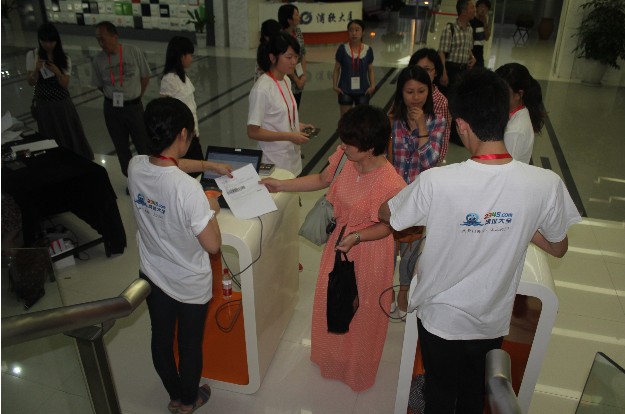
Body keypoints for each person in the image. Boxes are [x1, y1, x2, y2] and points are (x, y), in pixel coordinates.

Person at [379, 68, 581, 414]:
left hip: (440, 318)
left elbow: (389, 214)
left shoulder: (438, 182)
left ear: (461, 125)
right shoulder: (545, 184)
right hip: (491, 318)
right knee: (473, 393)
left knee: (440, 393)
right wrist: (518, 218)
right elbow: (558, 247)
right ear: (506, 116)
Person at [262, 105, 406, 392]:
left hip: (369, 252)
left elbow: (388, 227)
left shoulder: (391, 183)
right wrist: (281, 185)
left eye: (350, 143)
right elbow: (321, 179)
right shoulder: (344, 158)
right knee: (332, 302)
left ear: (370, 147)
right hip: (340, 245)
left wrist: (358, 236)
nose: (343, 146)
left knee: (362, 312)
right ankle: (332, 359)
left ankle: (357, 370)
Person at [128, 97, 230, 414]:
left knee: (160, 339)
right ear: (183, 134)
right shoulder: (188, 190)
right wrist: (211, 208)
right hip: (188, 283)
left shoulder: (135, 165)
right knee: (188, 344)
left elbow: (167, 165)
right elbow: (213, 245)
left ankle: (174, 394)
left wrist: (209, 166)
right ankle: (188, 400)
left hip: (153, 274)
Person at [387, 65, 446, 318]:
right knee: (388, 248)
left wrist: (422, 126)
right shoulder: (392, 121)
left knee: (411, 251)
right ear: (401, 92)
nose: (416, 97)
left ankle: (404, 289)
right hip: (393, 196)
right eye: (409, 91)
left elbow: (430, 162)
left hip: (420, 199)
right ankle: (385, 288)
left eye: (421, 91)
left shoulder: (438, 122)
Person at [247, 32, 314, 176]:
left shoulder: (286, 80)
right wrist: (289, 136)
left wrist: (298, 125)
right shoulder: (262, 89)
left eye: (296, 57)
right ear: (272, 58)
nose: (294, 62)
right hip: (274, 163)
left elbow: (280, 116)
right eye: (288, 57)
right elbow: (253, 131)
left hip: (292, 159)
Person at [26, 23, 94, 160]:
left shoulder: (64, 57)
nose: (47, 45)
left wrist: (57, 71)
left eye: (51, 41)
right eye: (44, 41)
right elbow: (30, 82)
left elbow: (64, 84)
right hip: (44, 104)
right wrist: (36, 70)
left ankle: (74, 159)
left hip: (61, 104)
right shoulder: (32, 55)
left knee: (69, 132)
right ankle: (56, 161)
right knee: (49, 133)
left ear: (56, 41)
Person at [92, 21, 151, 177]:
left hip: (134, 107)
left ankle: (149, 177)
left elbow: (145, 77)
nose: (101, 43)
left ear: (114, 36)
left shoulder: (132, 51)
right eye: (98, 39)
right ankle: (130, 178)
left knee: (143, 144)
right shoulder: (98, 60)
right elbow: (99, 85)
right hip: (112, 109)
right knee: (121, 147)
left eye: (103, 38)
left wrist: (135, 96)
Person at [160, 36, 204, 176]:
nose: (191, 58)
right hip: (182, 139)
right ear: (181, 56)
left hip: (191, 135)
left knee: (198, 170)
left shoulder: (183, 76)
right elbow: (166, 113)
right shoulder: (169, 80)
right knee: (192, 173)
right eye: (190, 54)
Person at [495, 62, 545, 164]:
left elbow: (506, 169)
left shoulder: (515, 132)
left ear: (519, 94)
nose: (497, 96)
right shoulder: (521, 111)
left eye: (503, 92)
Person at [408, 48, 450, 162]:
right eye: (418, 69)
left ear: (436, 72)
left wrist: (435, 164)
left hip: (426, 161)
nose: (422, 74)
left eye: (427, 69)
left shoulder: (441, 102)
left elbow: (444, 139)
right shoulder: (405, 95)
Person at [332, 19, 376, 118]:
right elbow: (336, 69)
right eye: (351, 30)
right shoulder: (342, 49)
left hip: (363, 90)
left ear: (363, 32)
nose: (354, 33)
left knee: (362, 119)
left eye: (357, 30)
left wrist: (372, 85)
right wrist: (334, 86)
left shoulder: (368, 50)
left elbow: (370, 69)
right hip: (345, 89)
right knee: (345, 119)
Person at [438, 0, 476, 91]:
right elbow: (441, 52)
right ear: (463, 11)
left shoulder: (470, 29)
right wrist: (443, 73)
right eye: (472, 7)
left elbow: (468, 49)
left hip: (464, 71)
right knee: (449, 95)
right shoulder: (450, 28)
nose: (475, 10)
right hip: (451, 70)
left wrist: (473, 58)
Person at [278, 4, 307, 107]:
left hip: (298, 77)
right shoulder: (281, 36)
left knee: (296, 108)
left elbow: (302, 53)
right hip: (287, 78)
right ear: (289, 20)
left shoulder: (298, 31)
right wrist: (296, 80)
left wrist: (303, 76)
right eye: (296, 14)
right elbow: (284, 61)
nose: (299, 16)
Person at [471, 0, 491, 68]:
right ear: (476, 8)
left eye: (486, 8)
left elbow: (487, 37)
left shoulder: (485, 21)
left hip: (480, 53)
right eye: (481, 7)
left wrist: (485, 23)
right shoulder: (472, 20)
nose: (483, 9)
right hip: (471, 52)